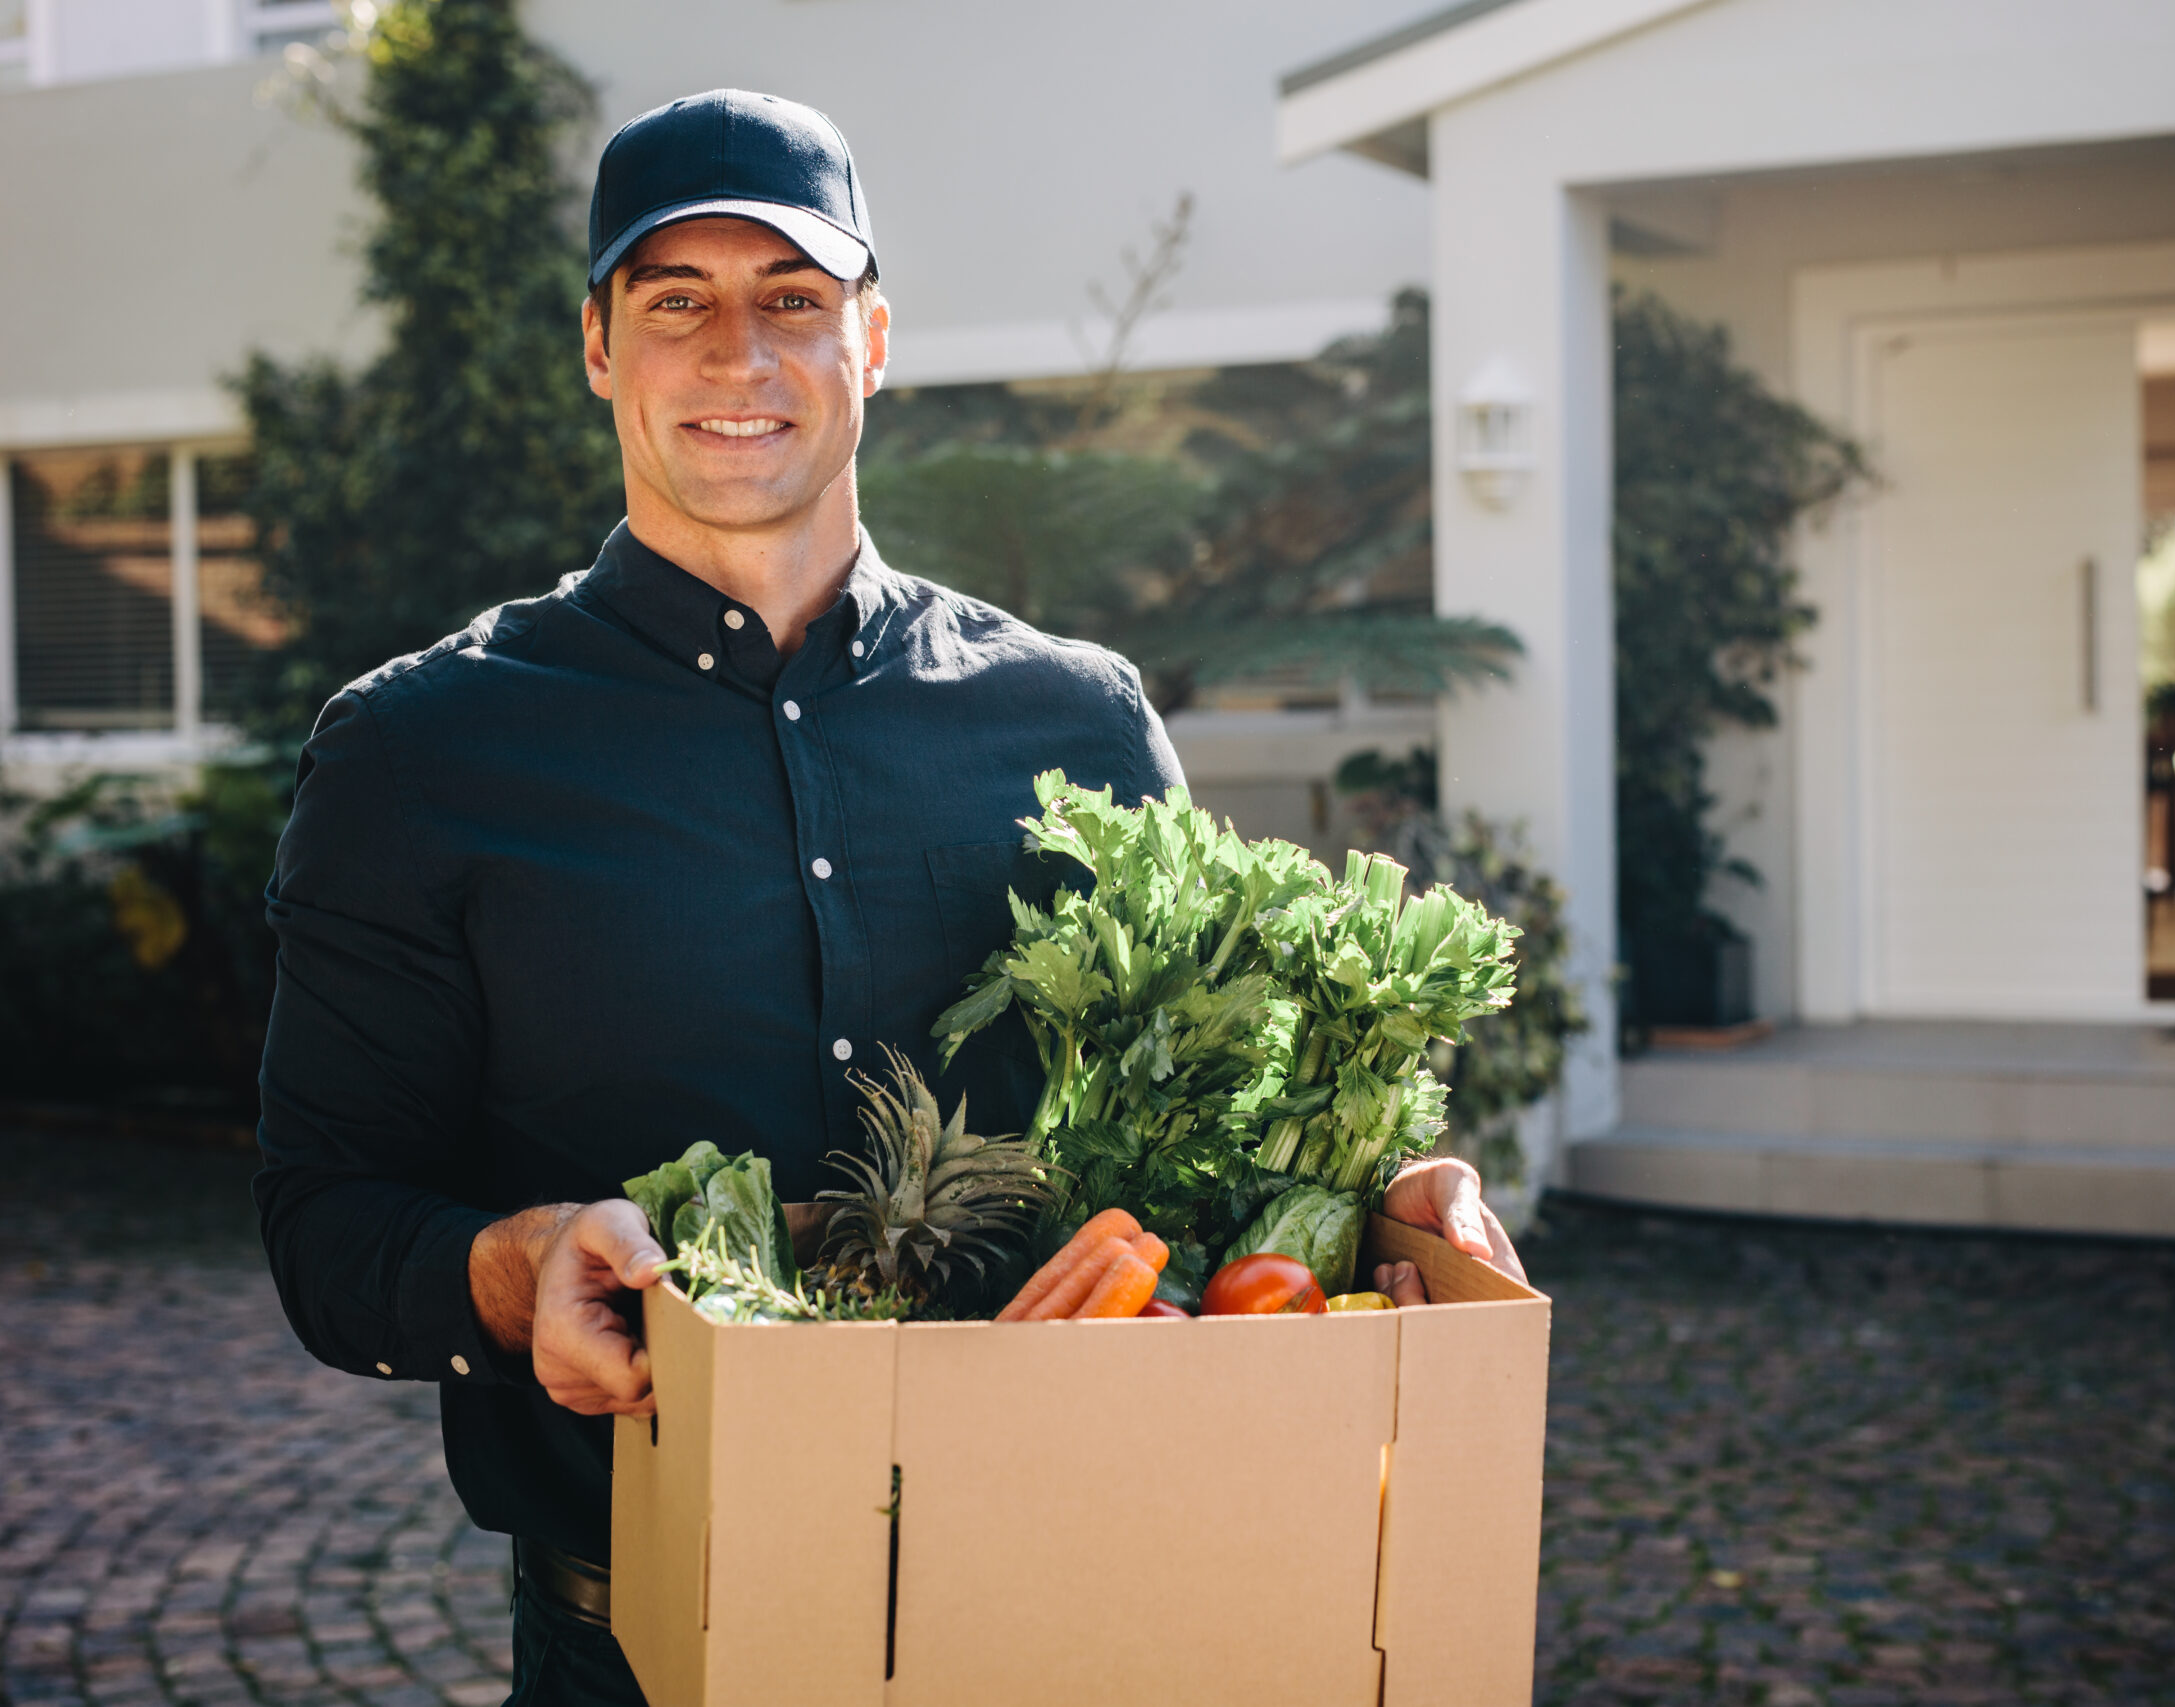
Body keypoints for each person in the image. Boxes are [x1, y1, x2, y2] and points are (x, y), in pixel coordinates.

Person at [253, 88, 1524, 1707]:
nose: (739, 353)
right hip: (644, 1649)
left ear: (873, 339)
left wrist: (1364, 1188)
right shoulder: (420, 752)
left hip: (1086, 1600)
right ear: (597, 346)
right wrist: (516, 1266)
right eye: (677, 303)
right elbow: (329, 1225)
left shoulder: (1079, 721)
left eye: (792, 299)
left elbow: (1197, 1152)